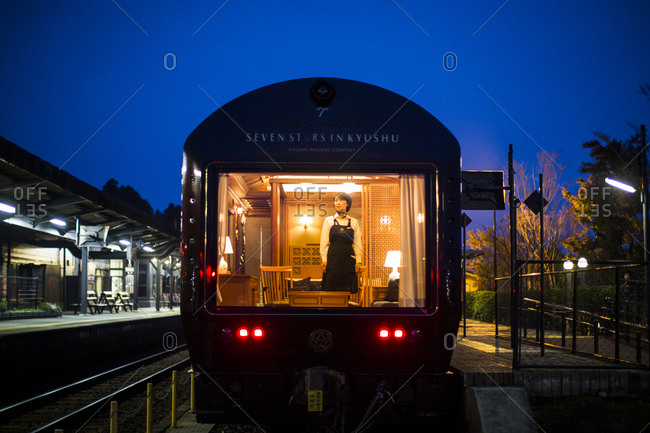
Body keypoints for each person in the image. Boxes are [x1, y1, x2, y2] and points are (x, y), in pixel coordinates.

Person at [320, 192, 362, 292]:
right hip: (333, 257)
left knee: (347, 287)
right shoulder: (328, 220)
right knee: (331, 286)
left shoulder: (354, 221)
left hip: (349, 257)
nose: (337, 203)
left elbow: (357, 243)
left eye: (341, 200)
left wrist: (358, 260)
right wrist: (324, 259)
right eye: (336, 200)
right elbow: (324, 241)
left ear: (347, 204)